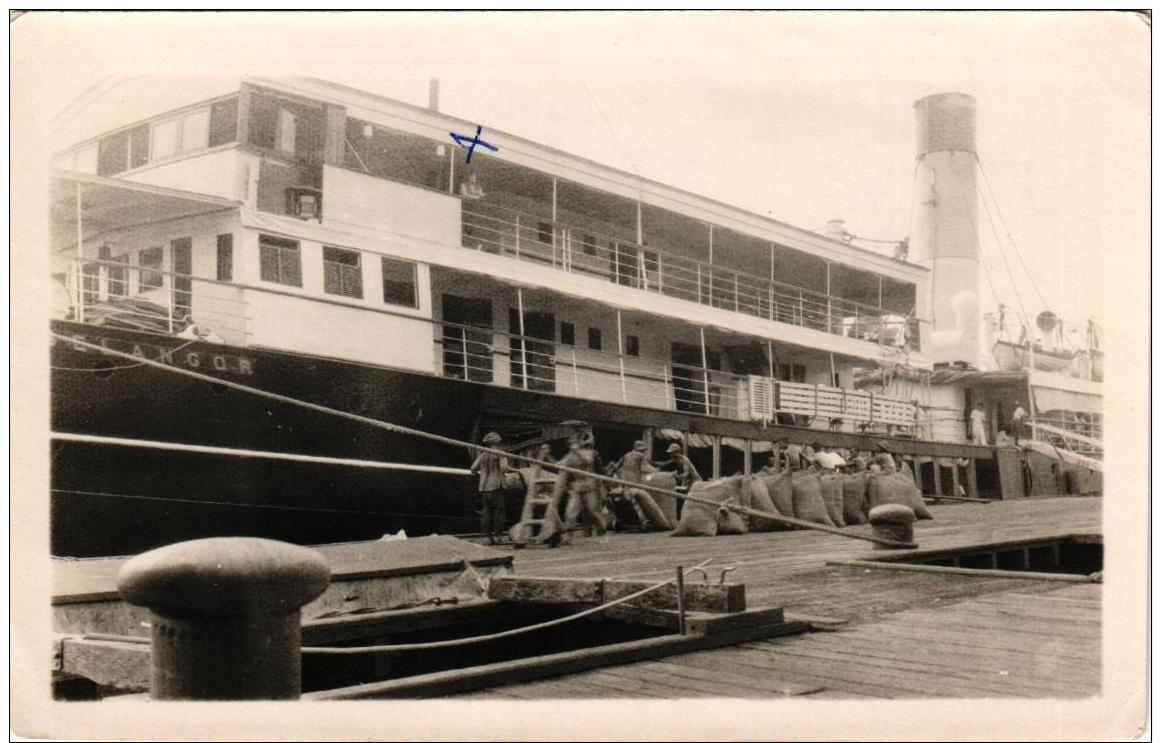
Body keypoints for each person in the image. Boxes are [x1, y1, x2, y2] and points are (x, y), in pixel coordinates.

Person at [551, 432, 607, 540]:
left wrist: (577, 452)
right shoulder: (569, 455)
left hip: (590, 485)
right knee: (571, 511)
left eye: (575, 441)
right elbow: (559, 465)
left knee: (593, 510)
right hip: (576, 486)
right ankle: (568, 536)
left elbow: (587, 462)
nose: (573, 444)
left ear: (581, 442)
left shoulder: (590, 453)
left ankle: (602, 528)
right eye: (571, 442)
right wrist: (547, 458)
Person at [471, 431, 510, 544]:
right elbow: (504, 468)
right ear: (498, 442)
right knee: (499, 512)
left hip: (484, 487)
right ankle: (498, 537)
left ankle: (486, 537)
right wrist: (513, 469)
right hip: (496, 486)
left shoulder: (483, 455)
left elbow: (473, 468)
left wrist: (482, 473)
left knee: (487, 512)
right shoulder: (500, 453)